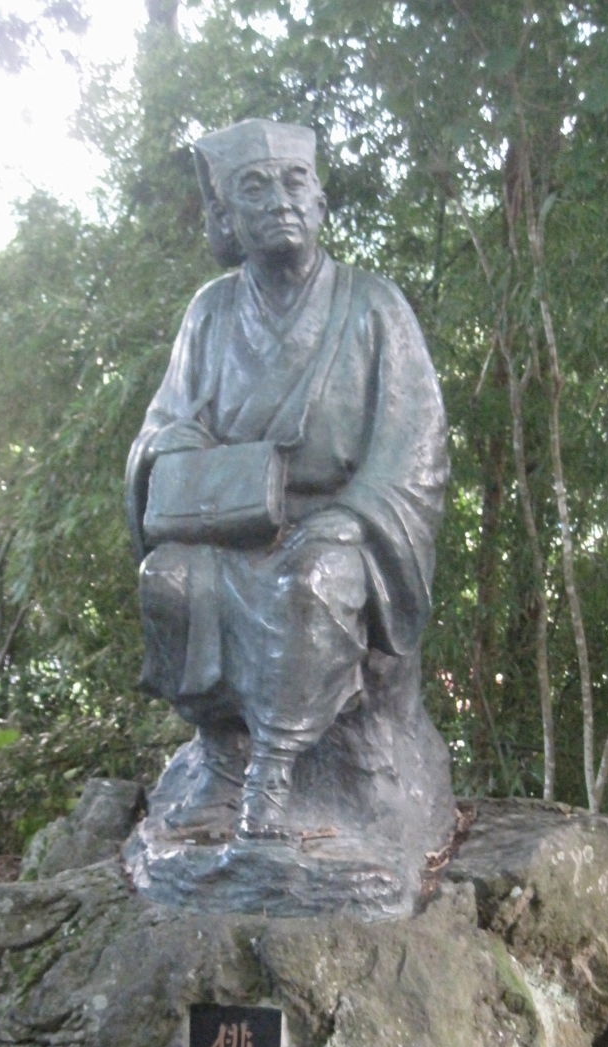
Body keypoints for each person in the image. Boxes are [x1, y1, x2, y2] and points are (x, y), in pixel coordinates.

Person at [125, 118, 448, 841]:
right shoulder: (210, 312)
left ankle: (272, 775)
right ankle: (222, 760)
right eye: (254, 187)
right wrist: (177, 449)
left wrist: (357, 514)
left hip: (336, 526)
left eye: (294, 182)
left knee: (315, 581)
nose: (279, 200)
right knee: (167, 578)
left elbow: (417, 439)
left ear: (320, 201)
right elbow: (164, 423)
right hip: (232, 526)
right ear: (225, 218)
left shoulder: (373, 305)